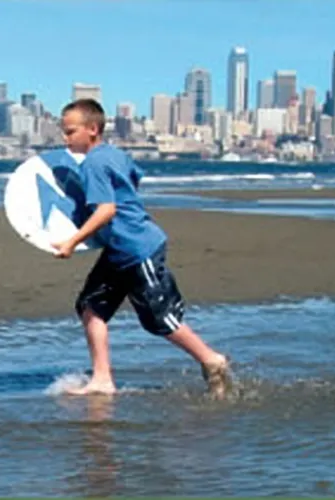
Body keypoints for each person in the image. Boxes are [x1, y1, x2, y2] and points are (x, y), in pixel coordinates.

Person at [50, 98, 232, 398]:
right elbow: (134, 178)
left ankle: (212, 360)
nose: (65, 138)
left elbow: (106, 210)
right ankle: (102, 378)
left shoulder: (94, 163)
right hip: (120, 248)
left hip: (137, 249)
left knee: (160, 319)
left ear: (92, 129)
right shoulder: (114, 155)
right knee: (90, 306)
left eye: (70, 132)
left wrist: (72, 241)